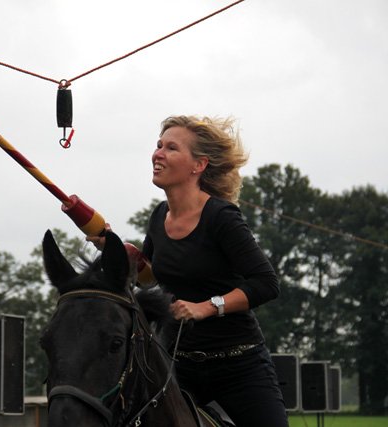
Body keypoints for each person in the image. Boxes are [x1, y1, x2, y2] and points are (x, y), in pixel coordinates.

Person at [89, 115, 288, 427]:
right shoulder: (159, 216)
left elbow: (266, 283)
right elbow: (149, 278)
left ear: (199, 165)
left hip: (239, 367)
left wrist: (207, 307)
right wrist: (112, 248)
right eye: (158, 145)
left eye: (171, 148)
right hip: (177, 367)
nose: (158, 154)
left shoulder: (222, 218)